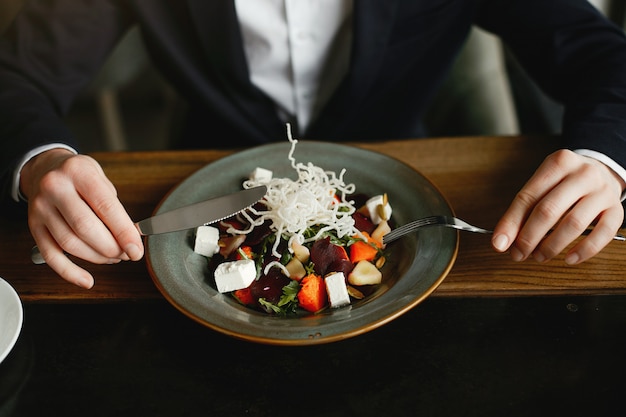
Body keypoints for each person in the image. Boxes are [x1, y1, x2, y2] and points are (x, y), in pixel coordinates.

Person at [1, 0, 626, 289]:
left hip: (409, 194)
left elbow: (601, 57)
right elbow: (16, 72)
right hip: (200, 183)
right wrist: (40, 160)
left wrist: (604, 156)